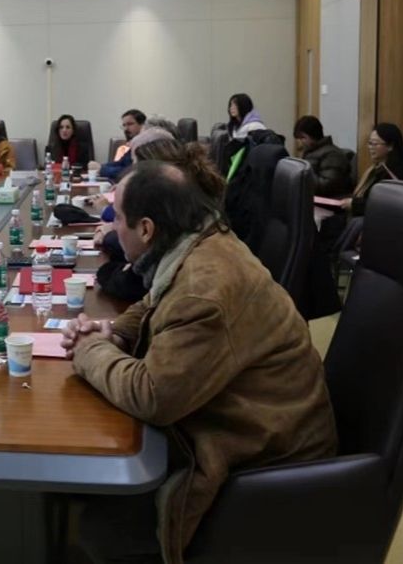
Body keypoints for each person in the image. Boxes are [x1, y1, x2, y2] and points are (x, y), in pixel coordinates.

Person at [61, 161, 337, 562]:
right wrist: (116, 332)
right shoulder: (203, 243)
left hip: (262, 463)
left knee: (99, 526)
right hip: (261, 427)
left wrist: (88, 348)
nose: (112, 226)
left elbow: (153, 395)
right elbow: (155, 301)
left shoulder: (202, 291)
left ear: (146, 229)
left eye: (117, 217)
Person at [95, 133, 227, 305]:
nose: (114, 225)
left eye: (118, 218)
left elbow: (135, 287)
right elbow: (148, 305)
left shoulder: (192, 286)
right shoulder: (193, 229)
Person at [341, 122, 403, 216]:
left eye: (375, 144)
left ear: (390, 146)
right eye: (370, 143)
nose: (370, 147)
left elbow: (386, 205)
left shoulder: (400, 171)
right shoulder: (376, 168)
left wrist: (354, 205)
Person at [293, 115, 355, 197]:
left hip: (329, 200)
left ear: (313, 135)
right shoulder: (311, 152)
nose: (300, 142)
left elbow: (327, 186)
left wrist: (303, 175)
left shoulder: (332, 155)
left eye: (303, 138)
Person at [92, 109, 146, 180]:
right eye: (124, 125)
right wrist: (100, 166)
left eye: (130, 124)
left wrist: (102, 169)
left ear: (142, 125)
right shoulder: (134, 144)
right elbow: (120, 163)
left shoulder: (147, 145)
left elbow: (132, 171)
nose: (126, 129)